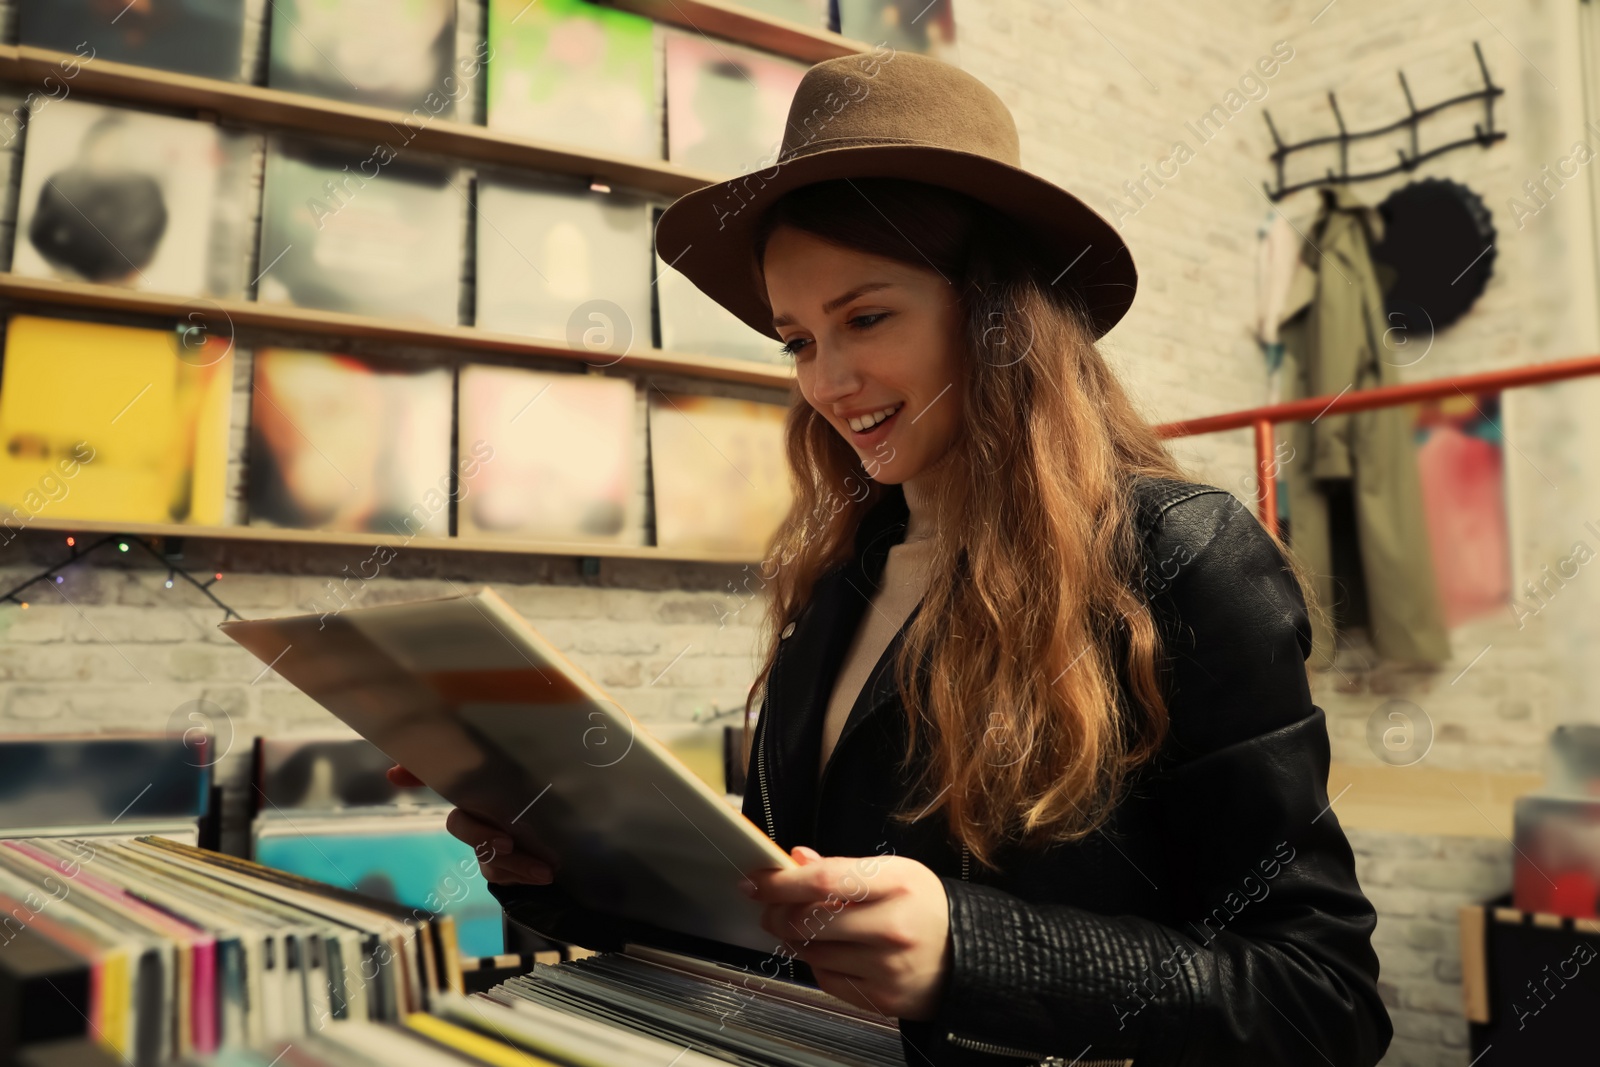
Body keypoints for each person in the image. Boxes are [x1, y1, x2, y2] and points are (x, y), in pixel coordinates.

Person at [391, 50, 1392, 1067]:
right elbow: (782, 925)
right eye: (796, 339)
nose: (827, 380)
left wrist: (971, 950)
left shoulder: (1181, 555)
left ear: (997, 316)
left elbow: (1319, 999)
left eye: (866, 317)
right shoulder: (838, 580)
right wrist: (572, 865)